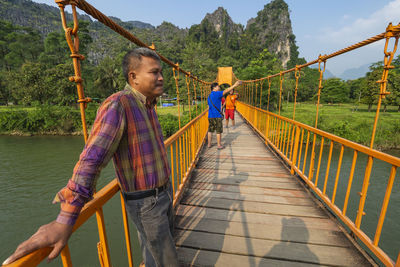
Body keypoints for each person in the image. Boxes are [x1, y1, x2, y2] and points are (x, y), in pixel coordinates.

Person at [3, 48, 179, 267]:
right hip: (146, 202)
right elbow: (92, 159)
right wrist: (65, 218)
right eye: (154, 72)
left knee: (156, 256)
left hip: (163, 192)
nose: (161, 77)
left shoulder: (149, 105)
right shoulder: (119, 105)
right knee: (167, 260)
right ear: (133, 77)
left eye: (161, 71)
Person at [207, 80, 242, 149]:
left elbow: (209, 106)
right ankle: (219, 145)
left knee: (210, 130)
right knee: (218, 131)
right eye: (218, 86)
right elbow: (226, 91)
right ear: (214, 88)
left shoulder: (209, 96)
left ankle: (209, 144)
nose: (219, 87)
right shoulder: (217, 94)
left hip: (210, 116)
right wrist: (235, 85)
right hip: (217, 116)